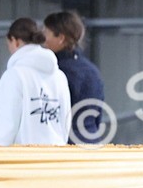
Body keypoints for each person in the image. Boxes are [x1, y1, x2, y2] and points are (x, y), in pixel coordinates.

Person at [0, 18, 71, 146]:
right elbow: (65, 121)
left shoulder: (15, 75)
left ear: (15, 41)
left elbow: (5, 126)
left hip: (24, 160)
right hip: (56, 157)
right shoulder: (59, 76)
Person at [44, 10, 106, 144]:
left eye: (46, 34)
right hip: (93, 141)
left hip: (66, 146)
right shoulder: (92, 71)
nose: (43, 40)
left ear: (60, 38)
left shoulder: (55, 72)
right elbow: (98, 115)